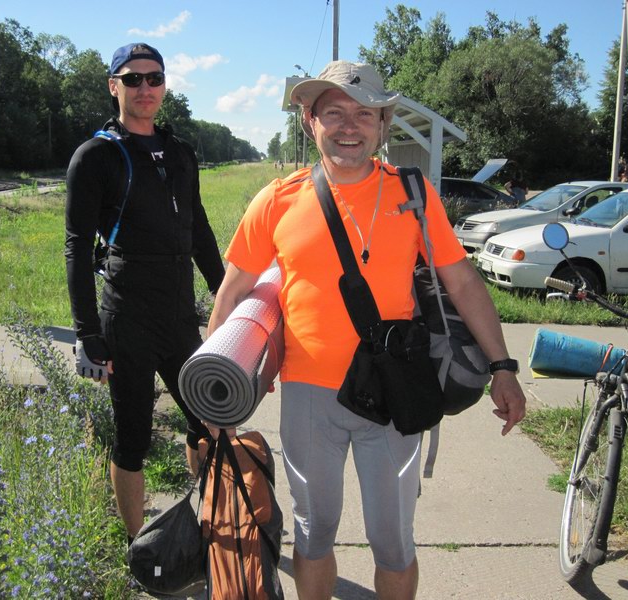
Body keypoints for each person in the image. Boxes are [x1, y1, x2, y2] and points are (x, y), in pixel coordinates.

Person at [207, 61, 526, 600]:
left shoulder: (414, 193)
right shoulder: (277, 200)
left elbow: (465, 283)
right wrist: (214, 404)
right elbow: (231, 293)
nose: (349, 126)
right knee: (313, 536)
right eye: (335, 113)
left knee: (393, 543)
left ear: (382, 125)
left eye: (364, 114)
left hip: (394, 390)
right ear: (312, 121)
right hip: (309, 395)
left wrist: (503, 367)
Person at [64, 43, 225, 540]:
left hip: (179, 316)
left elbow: (198, 229)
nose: (145, 88)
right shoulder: (95, 156)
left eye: (154, 78)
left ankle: (208, 525)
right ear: (114, 85)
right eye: (132, 79)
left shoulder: (181, 153)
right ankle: (137, 546)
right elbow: (75, 245)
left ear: (164, 84)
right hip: (126, 318)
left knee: (211, 422)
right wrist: (87, 333)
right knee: (132, 439)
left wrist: (228, 297)